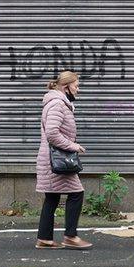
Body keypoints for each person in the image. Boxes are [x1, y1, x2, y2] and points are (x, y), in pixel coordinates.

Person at [34, 70, 92, 250]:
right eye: (76, 86)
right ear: (66, 87)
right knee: (76, 193)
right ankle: (70, 236)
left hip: (50, 159)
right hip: (56, 160)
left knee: (52, 197)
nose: (78, 89)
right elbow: (52, 133)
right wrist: (73, 146)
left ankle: (45, 239)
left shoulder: (58, 103)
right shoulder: (58, 104)